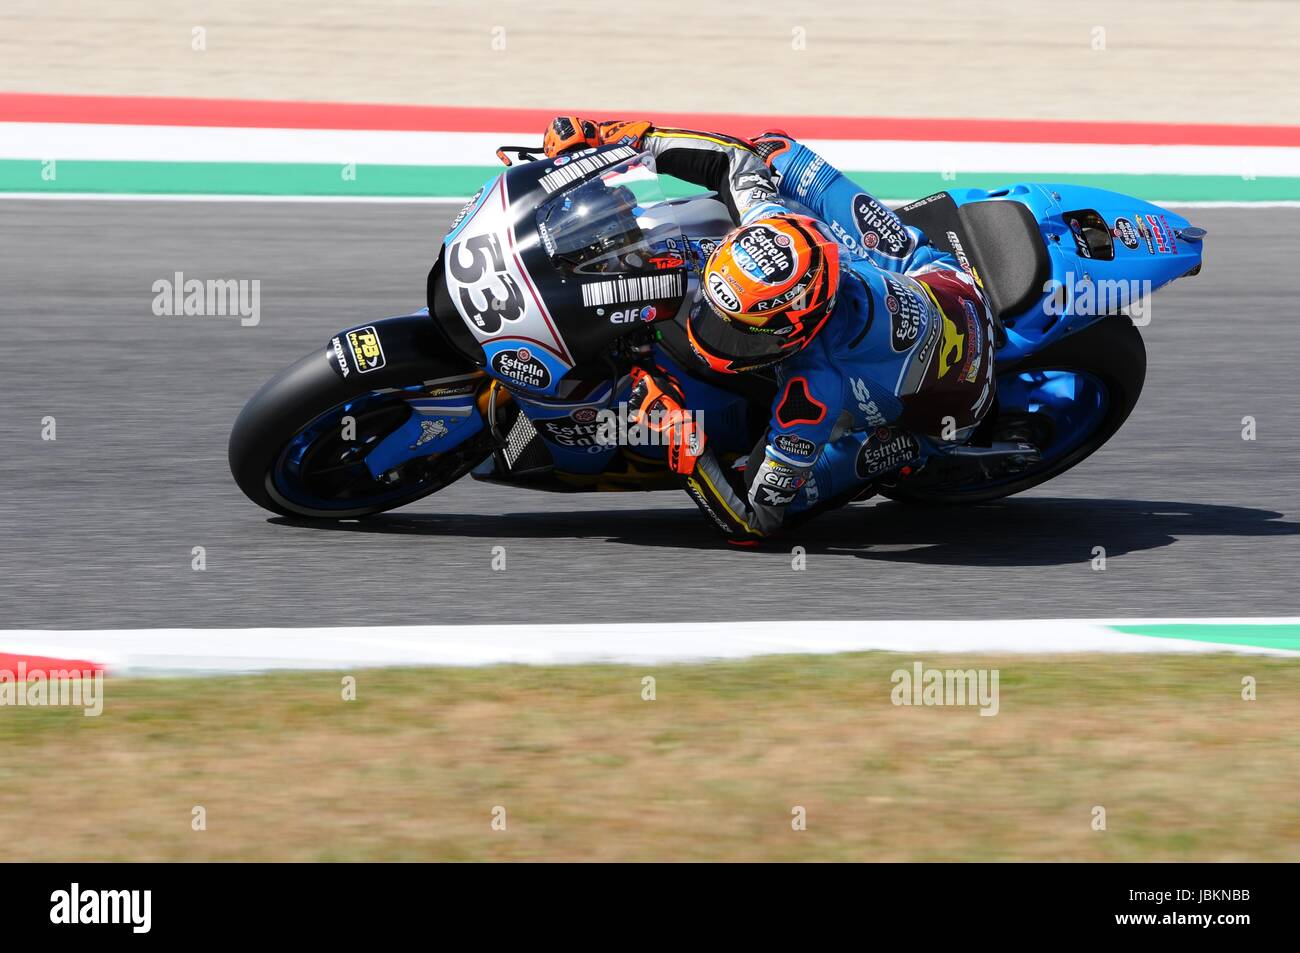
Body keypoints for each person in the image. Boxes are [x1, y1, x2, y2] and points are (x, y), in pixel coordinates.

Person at [542, 117, 997, 543]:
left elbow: (753, 519)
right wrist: (619, 140)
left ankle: (913, 451)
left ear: (795, 333)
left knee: (859, 461)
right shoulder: (773, 226)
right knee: (775, 148)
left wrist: (684, 444)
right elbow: (738, 160)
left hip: (949, 406)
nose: (717, 337)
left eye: (742, 335)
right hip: (935, 274)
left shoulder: (814, 391)